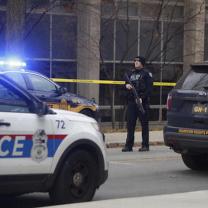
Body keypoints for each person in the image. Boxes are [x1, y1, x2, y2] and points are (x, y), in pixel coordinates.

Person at [122, 56, 153, 152]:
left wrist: (142, 98)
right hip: (131, 102)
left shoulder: (147, 74)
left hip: (142, 103)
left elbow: (150, 89)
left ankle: (145, 145)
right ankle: (128, 145)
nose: (135, 62)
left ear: (142, 63)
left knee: (144, 124)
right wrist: (126, 85)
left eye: (138, 61)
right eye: (135, 61)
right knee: (130, 124)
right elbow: (125, 84)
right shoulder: (130, 73)